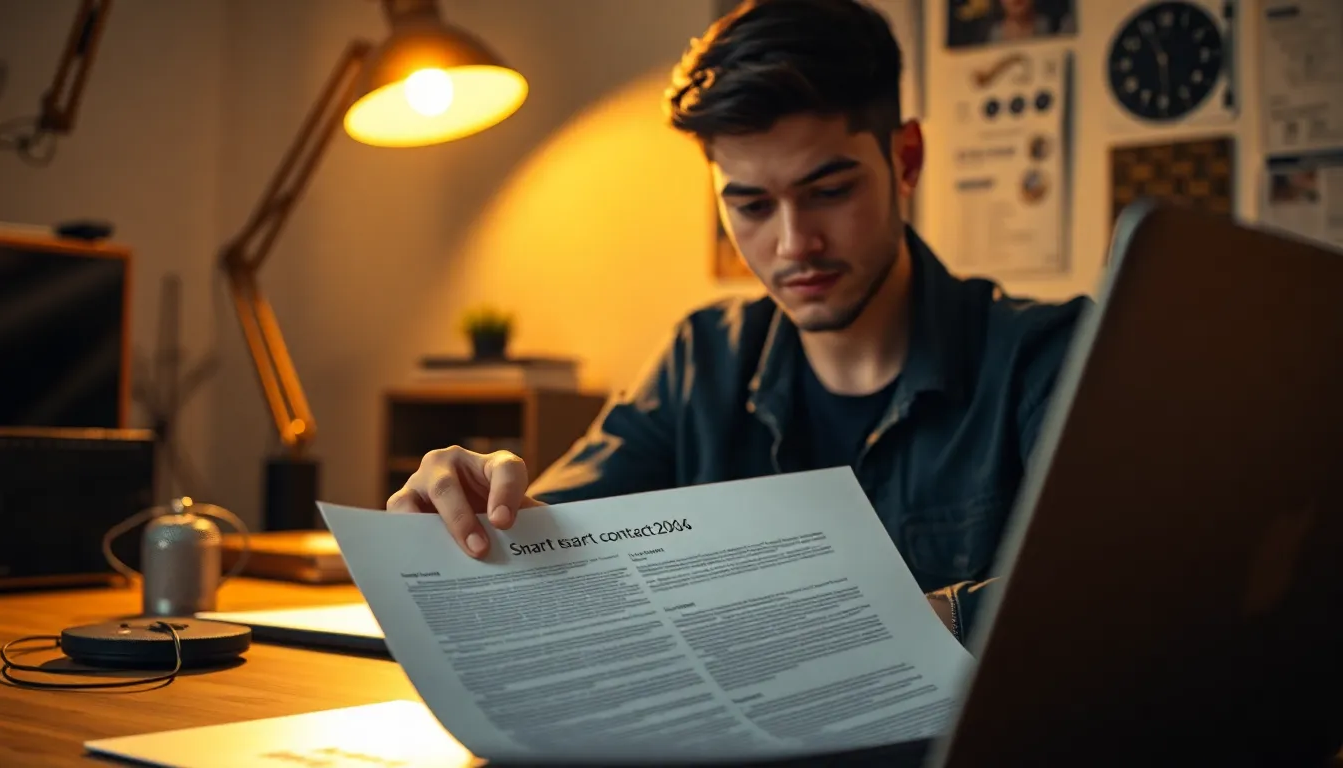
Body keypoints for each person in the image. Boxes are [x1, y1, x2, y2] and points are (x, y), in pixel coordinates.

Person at [386, 0, 1090, 646]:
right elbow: (561, 542)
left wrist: (875, 623)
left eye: (830, 191)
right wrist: (475, 514)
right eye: (751, 206)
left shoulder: (1050, 357)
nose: (793, 244)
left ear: (905, 159)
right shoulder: (702, 360)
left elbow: (1124, 583)